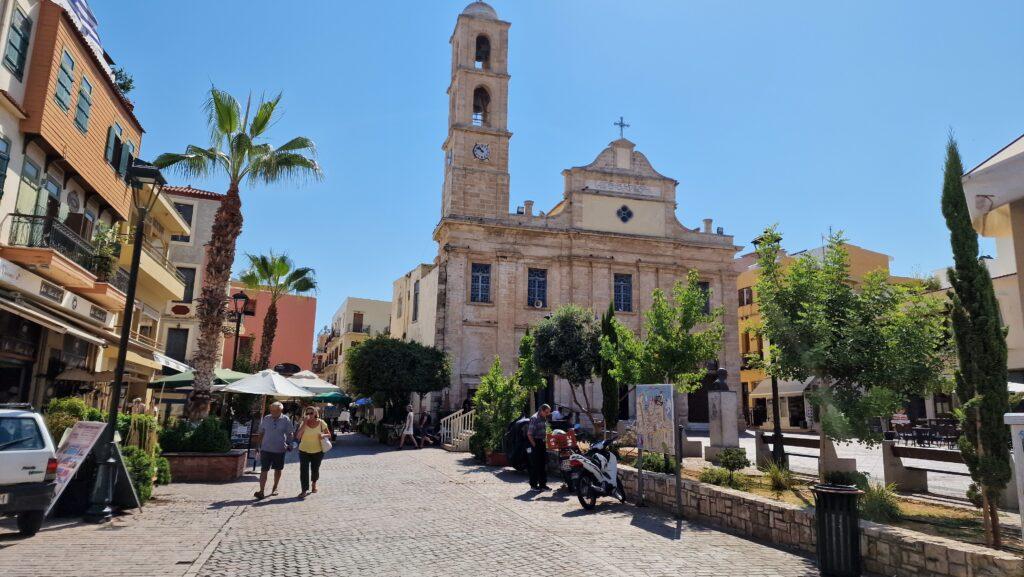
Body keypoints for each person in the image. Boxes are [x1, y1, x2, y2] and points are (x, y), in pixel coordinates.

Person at [254, 401, 293, 500]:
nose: (273, 412)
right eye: (271, 410)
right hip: (265, 449)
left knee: (278, 469)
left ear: (281, 410)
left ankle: (275, 487)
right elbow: (261, 433)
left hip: (279, 449)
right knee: (264, 470)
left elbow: (290, 433)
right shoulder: (266, 418)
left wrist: (289, 444)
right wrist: (257, 446)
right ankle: (261, 491)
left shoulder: (286, 419)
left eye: (275, 411)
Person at [295, 406, 330, 497]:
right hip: (304, 450)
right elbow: (298, 436)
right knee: (304, 471)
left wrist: (323, 435)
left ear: (315, 413)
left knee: (315, 469)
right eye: (307, 413)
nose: (309, 415)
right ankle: (304, 490)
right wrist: (304, 424)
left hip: (318, 451)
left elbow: (329, 435)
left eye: (311, 413)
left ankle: (314, 483)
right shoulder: (303, 423)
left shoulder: (321, 423)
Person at [526, 404, 552, 491]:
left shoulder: (543, 417)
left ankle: (542, 485)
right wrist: (534, 445)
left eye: (548, 412)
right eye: (546, 412)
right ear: (541, 410)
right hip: (535, 442)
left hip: (541, 442)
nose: (548, 414)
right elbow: (529, 434)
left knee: (542, 464)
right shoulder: (534, 418)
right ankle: (533, 485)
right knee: (535, 465)